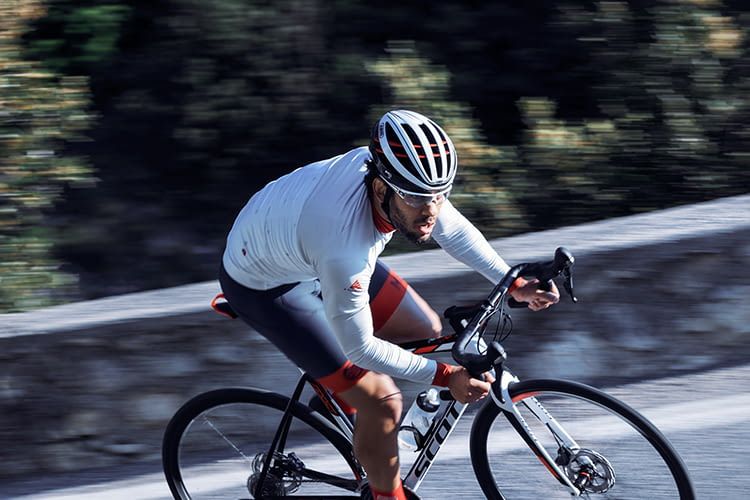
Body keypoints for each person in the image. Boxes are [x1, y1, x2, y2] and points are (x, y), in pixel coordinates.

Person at [219, 110, 559, 500]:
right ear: (382, 189)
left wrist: (512, 282)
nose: (430, 210)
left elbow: (452, 229)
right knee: (382, 399)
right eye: (417, 198)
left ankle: (345, 410)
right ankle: (385, 490)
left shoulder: (400, 183)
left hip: (301, 247)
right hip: (268, 287)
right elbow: (360, 347)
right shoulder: (344, 247)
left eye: (440, 194)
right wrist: (447, 377)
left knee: (427, 329)